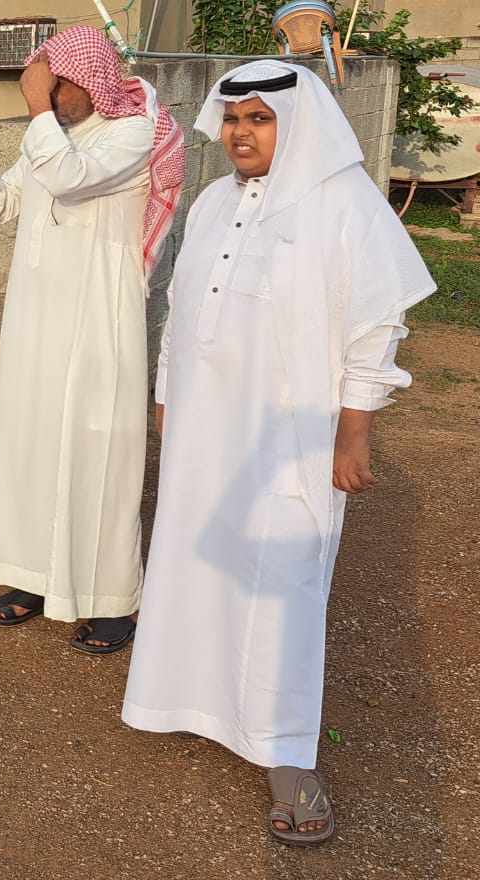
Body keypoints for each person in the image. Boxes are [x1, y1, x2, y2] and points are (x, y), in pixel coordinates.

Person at [122, 61, 434, 845]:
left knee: (283, 585)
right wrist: (166, 398)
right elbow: (182, 311)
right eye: (233, 119)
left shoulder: (345, 203)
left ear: (294, 124)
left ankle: (289, 757)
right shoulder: (213, 202)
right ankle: (193, 701)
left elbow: (376, 328)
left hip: (292, 435)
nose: (240, 133)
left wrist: (353, 432)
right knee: (197, 564)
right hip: (204, 428)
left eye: (259, 119)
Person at [0, 26, 185, 652]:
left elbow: (71, 178)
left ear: (92, 80)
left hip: (98, 317)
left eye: (56, 85)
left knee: (97, 453)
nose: (48, 96)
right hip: (35, 317)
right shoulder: (51, 133)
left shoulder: (132, 133)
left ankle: (113, 600)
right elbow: (5, 203)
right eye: (43, 87)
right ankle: (34, 578)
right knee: (32, 443)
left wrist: (34, 105)